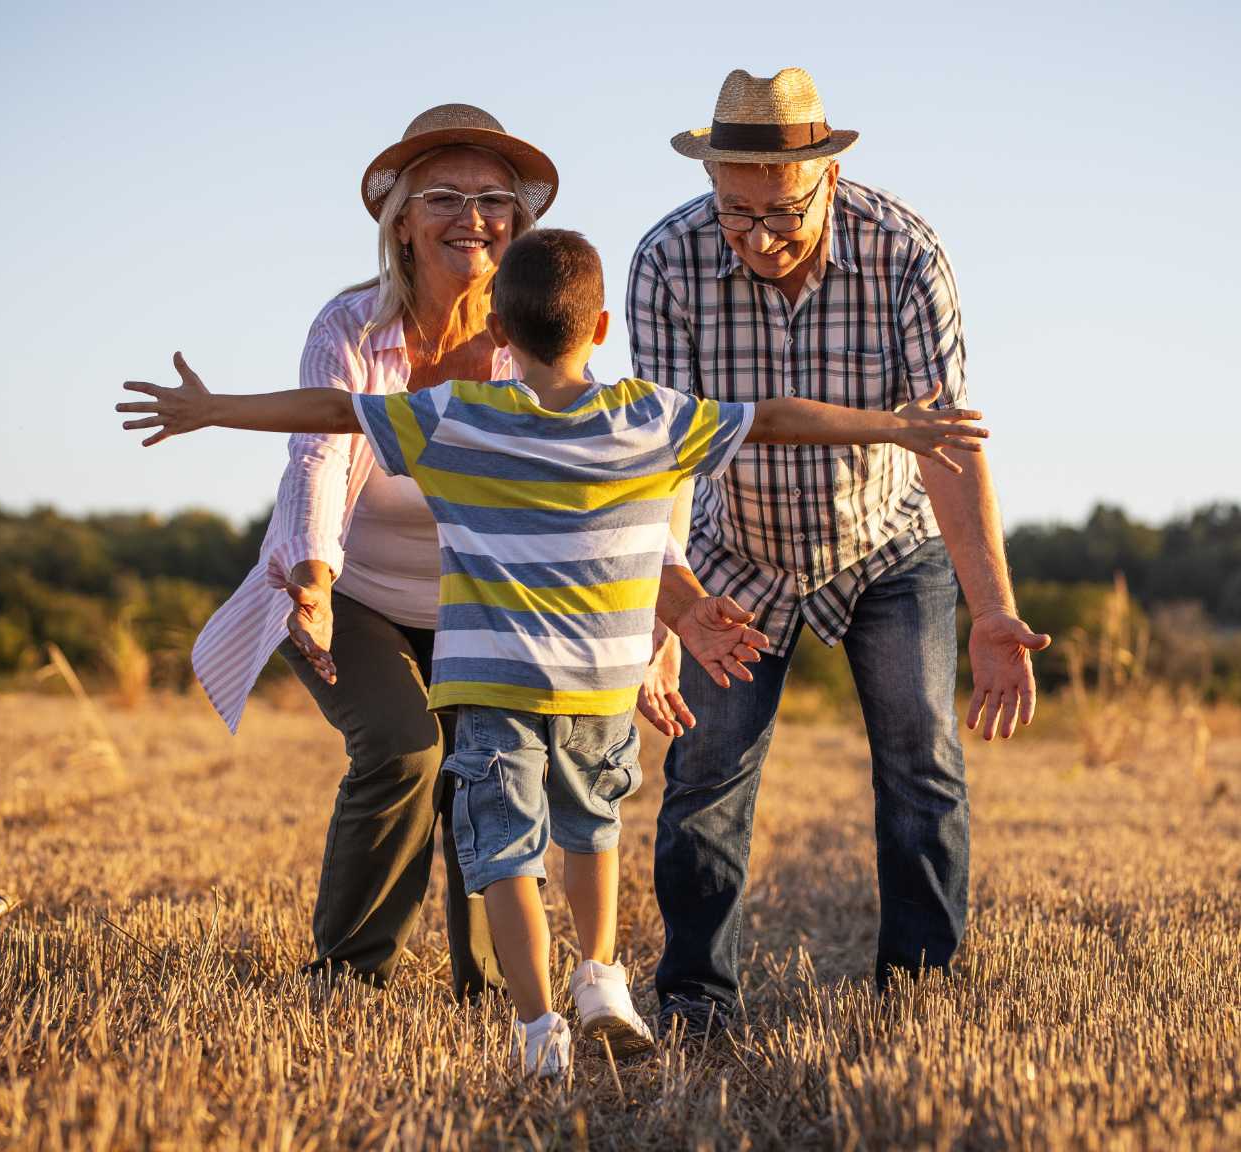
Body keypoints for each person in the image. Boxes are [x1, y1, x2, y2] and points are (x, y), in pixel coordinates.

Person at [118, 228, 988, 1076]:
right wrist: (893, 427)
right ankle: (602, 975)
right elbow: (777, 420)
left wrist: (215, 409)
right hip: (604, 686)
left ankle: (538, 1028)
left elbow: (333, 412)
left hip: (493, 685)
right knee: (592, 831)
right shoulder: (650, 416)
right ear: (601, 328)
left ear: (498, 332)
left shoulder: (457, 417)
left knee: (505, 855)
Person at [627, 67, 1052, 1032]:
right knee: (705, 772)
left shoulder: (906, 252)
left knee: (921, 761)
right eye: (736, 213)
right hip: (736, 552)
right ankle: (695, 996)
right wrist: (670, 606)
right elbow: (656, 459)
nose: (759, 237)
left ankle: (920, 993)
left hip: (887, 545)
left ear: (825, 176)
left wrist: (990, 610)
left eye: (781, 212)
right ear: (712, 183)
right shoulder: (665, 262)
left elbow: (948, 443)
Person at [182, 104, 561, 998]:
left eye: (493, 197)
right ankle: (347, 975)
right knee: (401, 748)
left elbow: (581, 474)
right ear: (400, 223)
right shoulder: (351, 327)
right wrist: (311, 579)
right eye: (444, 195)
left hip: (481, 604)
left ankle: (495, 986)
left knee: (491, 772)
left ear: (520, 222)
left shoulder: (531, 342)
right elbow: (318, 450)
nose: (472, 215)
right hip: (348, 588)